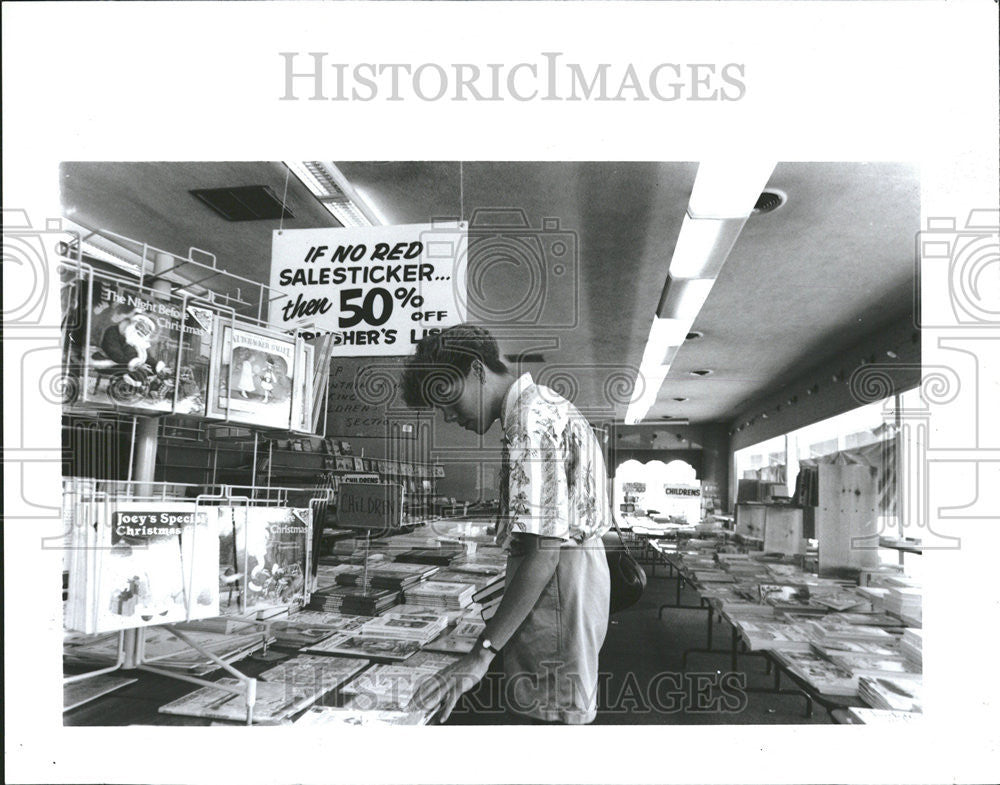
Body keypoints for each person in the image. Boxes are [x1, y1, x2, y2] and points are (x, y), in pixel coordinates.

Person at [402, 324, 611, 724]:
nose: (447, 414)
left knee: (549, 718)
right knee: (557, 711)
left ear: (477, 371)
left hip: (558, 585)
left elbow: (543, 556)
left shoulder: (529, 421)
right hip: (572, 578)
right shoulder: (540, 405)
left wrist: (480, 656)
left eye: (447, 397)